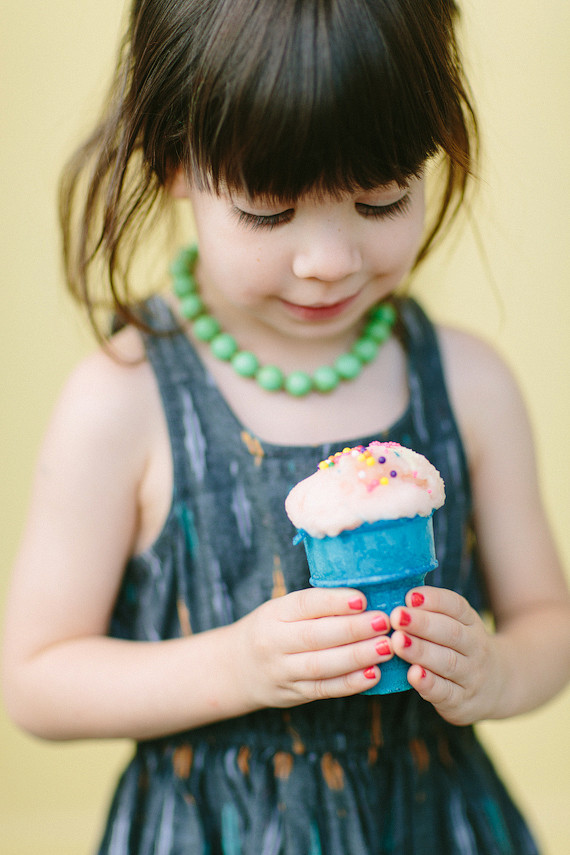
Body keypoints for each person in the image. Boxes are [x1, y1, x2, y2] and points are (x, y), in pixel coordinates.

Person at [2, 0, 569, 852]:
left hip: (429, 823)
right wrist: (237, 665)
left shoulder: (469, 383)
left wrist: (494, 672)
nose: (329, 259)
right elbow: (36, 681)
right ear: (174, 164)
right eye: (269, 212)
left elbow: (548, 623)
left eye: (382, 201)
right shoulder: (124, 402)